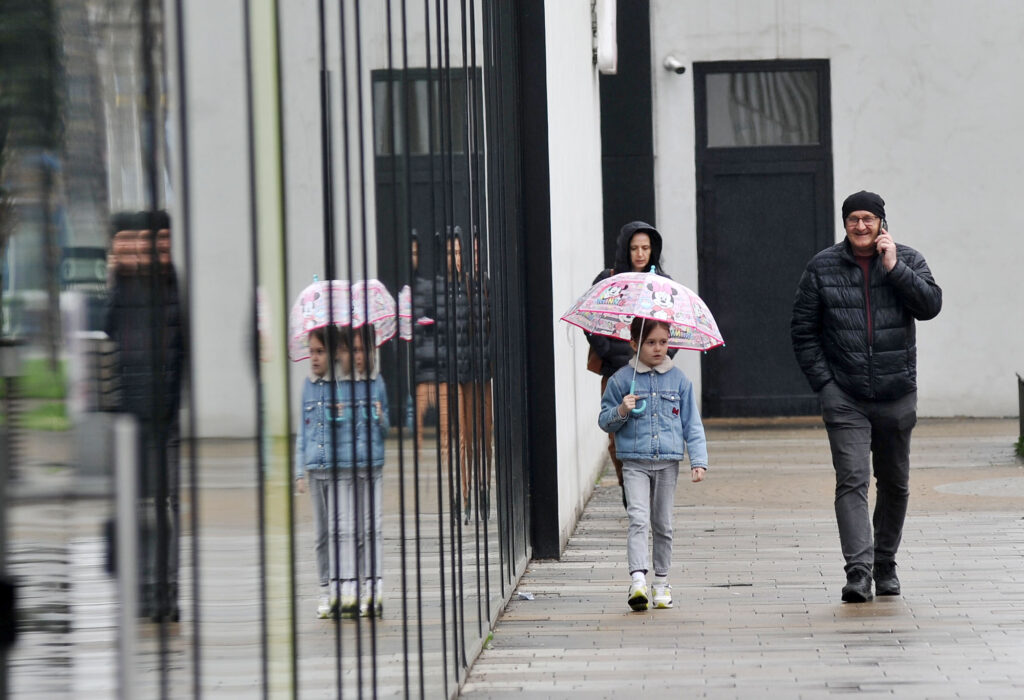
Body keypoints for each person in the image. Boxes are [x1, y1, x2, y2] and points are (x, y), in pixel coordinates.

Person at [791, 190, 942, 603]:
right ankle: (858, 572)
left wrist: (895, 269)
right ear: (845, 224)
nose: (861, 226)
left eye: (868, 219)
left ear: (882, 224)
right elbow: (803, 331)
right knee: (852, 481)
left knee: (894, 482)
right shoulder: (822, 267)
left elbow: (930, 306)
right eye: (854, 219)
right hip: (846, 395)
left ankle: (885, 563)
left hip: (897, 392)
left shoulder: (907, 259)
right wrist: (826, 385)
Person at [599, 317, 708, 612]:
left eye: (663, 342)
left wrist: (698, 460)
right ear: (634, 344)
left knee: (663, 523)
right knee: (638, 518)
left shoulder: (680, 381)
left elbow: (692, 424)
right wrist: (622, 409)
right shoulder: (622, 380)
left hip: (667, 463)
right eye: (650, 343)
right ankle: (638, 580)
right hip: (634, 462)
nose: (658, 348)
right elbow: (604, 419)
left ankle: (662, 581)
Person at [106, 211, 184, 622]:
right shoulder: (120, 291)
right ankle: (141, 590)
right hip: (128, 421)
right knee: (136, 507)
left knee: (165, 506)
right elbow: (106, 345)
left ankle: (165, 591)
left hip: (165, 418)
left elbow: (184, 350)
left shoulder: (175, 289)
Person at [295, 325, 390, 618]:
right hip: (319, 469)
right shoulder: (310, 387)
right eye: (311, 352)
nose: (314, 358)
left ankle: (365, 587)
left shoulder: (366, 384)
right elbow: (303, 431)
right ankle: (329, 588)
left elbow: (384, 428)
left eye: (320, 352)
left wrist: (377, 415)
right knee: (325, 533)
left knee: (361, 529)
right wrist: (299, 471)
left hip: (359, 466)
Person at [587, 221, 670, 506]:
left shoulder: (662, 283)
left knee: (650, 430)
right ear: (625, 249)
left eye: (645, 248)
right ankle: (627, 485)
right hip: (615, 371)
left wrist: (657, 356)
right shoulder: (608, 280)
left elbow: (673, 328)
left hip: (652, 372)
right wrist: (607, 350)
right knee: (616, 433)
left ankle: (645, 492)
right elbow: (591, 319)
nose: (640, 254)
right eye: (634, 248)